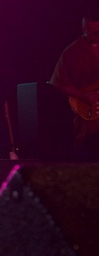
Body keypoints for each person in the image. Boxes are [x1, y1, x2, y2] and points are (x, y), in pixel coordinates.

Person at [49, 13, 99, 161]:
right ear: (83, 29)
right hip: (87, 120)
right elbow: (58, 83)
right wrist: (84, 97)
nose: (97, 36)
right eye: (93, 32)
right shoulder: (72, 52)